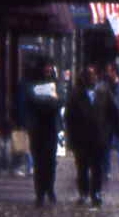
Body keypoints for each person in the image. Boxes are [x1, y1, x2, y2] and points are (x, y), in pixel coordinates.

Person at [65, 65, 119, 207]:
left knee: (97, 168)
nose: (92, 78)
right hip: (81, 139)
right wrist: (70, 138)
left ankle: (95, 193)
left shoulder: (103, 91)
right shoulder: (76, 94)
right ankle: (83, 193)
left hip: (99, 137)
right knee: (82, 167)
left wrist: (117, 131)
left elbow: (113, 112)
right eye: (89, 75)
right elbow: (69, 118)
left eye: (93, 75)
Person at [26, 59, 62, 206]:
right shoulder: (34, 84)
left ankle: (50, 189)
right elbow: (35, 102)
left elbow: (60, 101)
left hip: (51, 128)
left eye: (49, 68)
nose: (48, 70)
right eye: (46, 67)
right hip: (38, 129)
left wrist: (50, 102)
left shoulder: (55, 83)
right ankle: (40, 192)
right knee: (40, 162)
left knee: (50, 162)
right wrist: (50, 101)